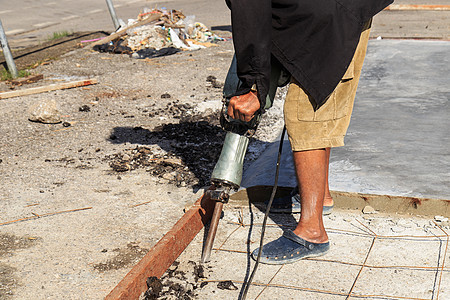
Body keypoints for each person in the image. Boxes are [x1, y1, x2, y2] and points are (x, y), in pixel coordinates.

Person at [225, 0, 392, 264]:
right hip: (336, 9)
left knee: (307, 114)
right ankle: (319, 196)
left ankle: (312, 232)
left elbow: (251, 13)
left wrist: (255, 85)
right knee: (322, 106)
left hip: (329, 16)